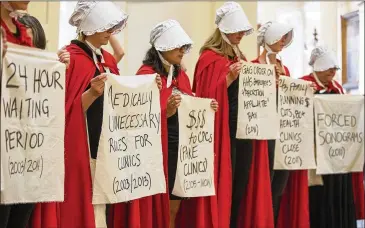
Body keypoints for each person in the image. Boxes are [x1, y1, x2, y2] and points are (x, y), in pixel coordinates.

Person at [177, 2, 272, 228]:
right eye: (237, 30)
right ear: (225, 30)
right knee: (227, 187)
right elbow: (205, 96)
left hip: (244, 131)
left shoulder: (241, 57)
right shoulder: (210, 58)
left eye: (242, 30)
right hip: (224, 133)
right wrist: (228, 78)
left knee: (242, 187)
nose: (241, 34)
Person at [253, 21, 310, 228]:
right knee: (264, 185)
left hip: (284, 135)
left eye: (285, 38)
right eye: (279, 37)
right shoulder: (254, 67)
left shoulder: (284, 68)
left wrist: (299, 87)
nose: (283, 42)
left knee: (279, 187)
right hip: (264, 136)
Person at [301, 46, 365, 228]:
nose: (332, 72)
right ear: (317, 67)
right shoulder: (303, 84)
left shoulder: (337, 88)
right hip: (316, 158)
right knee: (319, 200)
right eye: (329, 67)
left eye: (334, 69)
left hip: (338, 155)